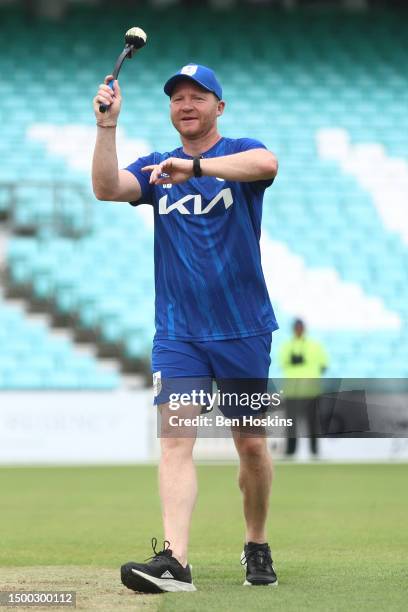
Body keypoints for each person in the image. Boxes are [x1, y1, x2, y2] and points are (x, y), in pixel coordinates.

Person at [92, 63, 279, 592]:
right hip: (178, 334)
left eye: (199, 96)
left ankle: (256, 542)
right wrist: (107, 128)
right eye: (178, 98)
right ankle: (176, 562)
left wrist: (196, 169)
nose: (187, 104)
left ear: (219, 107)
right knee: (175, 441)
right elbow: (106, 187)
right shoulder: (155, 167)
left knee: (251, 447)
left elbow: (269, 162)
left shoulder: (241, 150)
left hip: (243, 329)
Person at [279, 319, 328, 457]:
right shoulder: (287, 346)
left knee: (312, 423)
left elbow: (323, 364)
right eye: (297, 327)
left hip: (310, 391)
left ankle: (314, 451)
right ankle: (291, 451)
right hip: (293, 391)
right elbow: (323, 366)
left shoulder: (314, 345)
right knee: (291, 424)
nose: (299, 330)